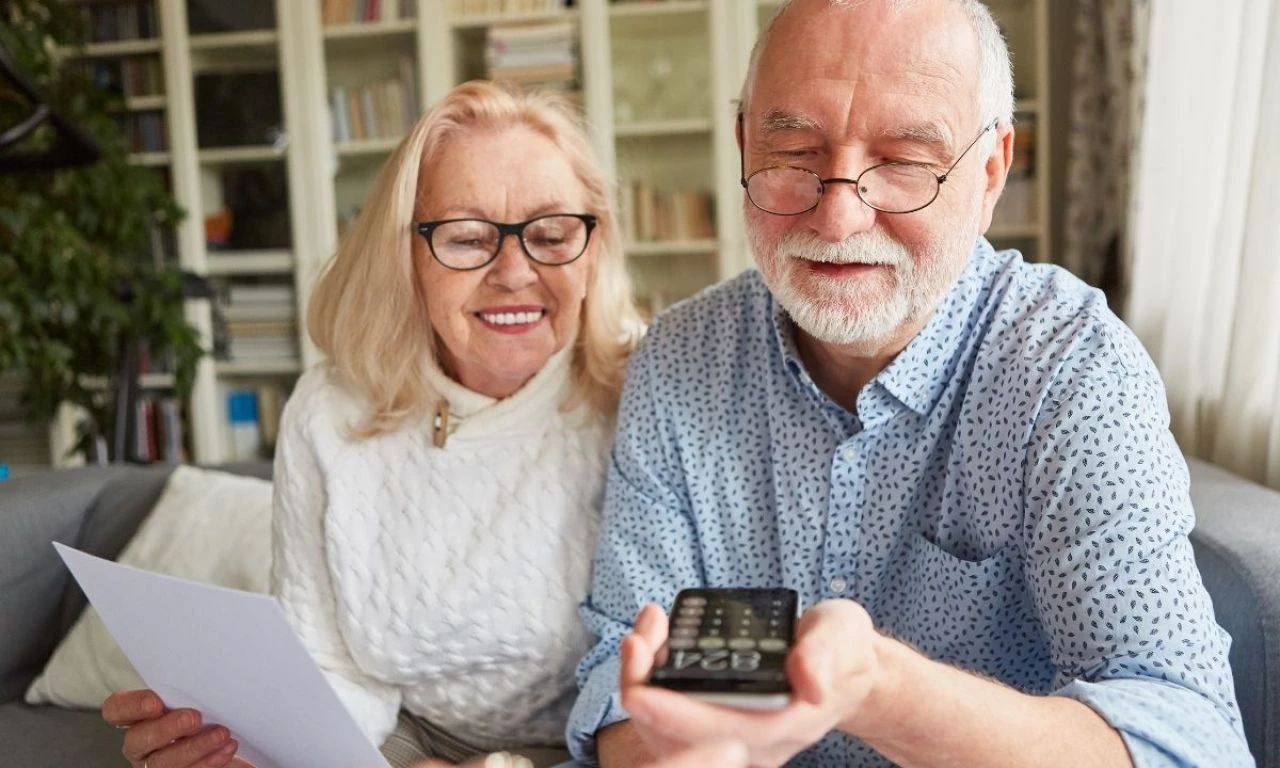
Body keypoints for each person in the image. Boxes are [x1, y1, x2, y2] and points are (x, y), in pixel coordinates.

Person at [567, 1, 1254, 766]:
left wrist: (881, 690)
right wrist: (667, 748)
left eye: (902, 162)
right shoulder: (679, 358)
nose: (837, 216)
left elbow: (1189, 740)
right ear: (742, 146)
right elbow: (619, 686)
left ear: (991, 170)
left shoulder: (1071, 370)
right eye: (794, 150)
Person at [99, 79, 644, 768]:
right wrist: (250, 751)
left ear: (592, 248)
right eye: (467, 237)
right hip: (403, 739)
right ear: (405, 254)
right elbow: (328, 664)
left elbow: (664, 685)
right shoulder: (329, 411)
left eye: (552, 234)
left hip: (600, 747)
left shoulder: (647, 392)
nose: (515, 272)